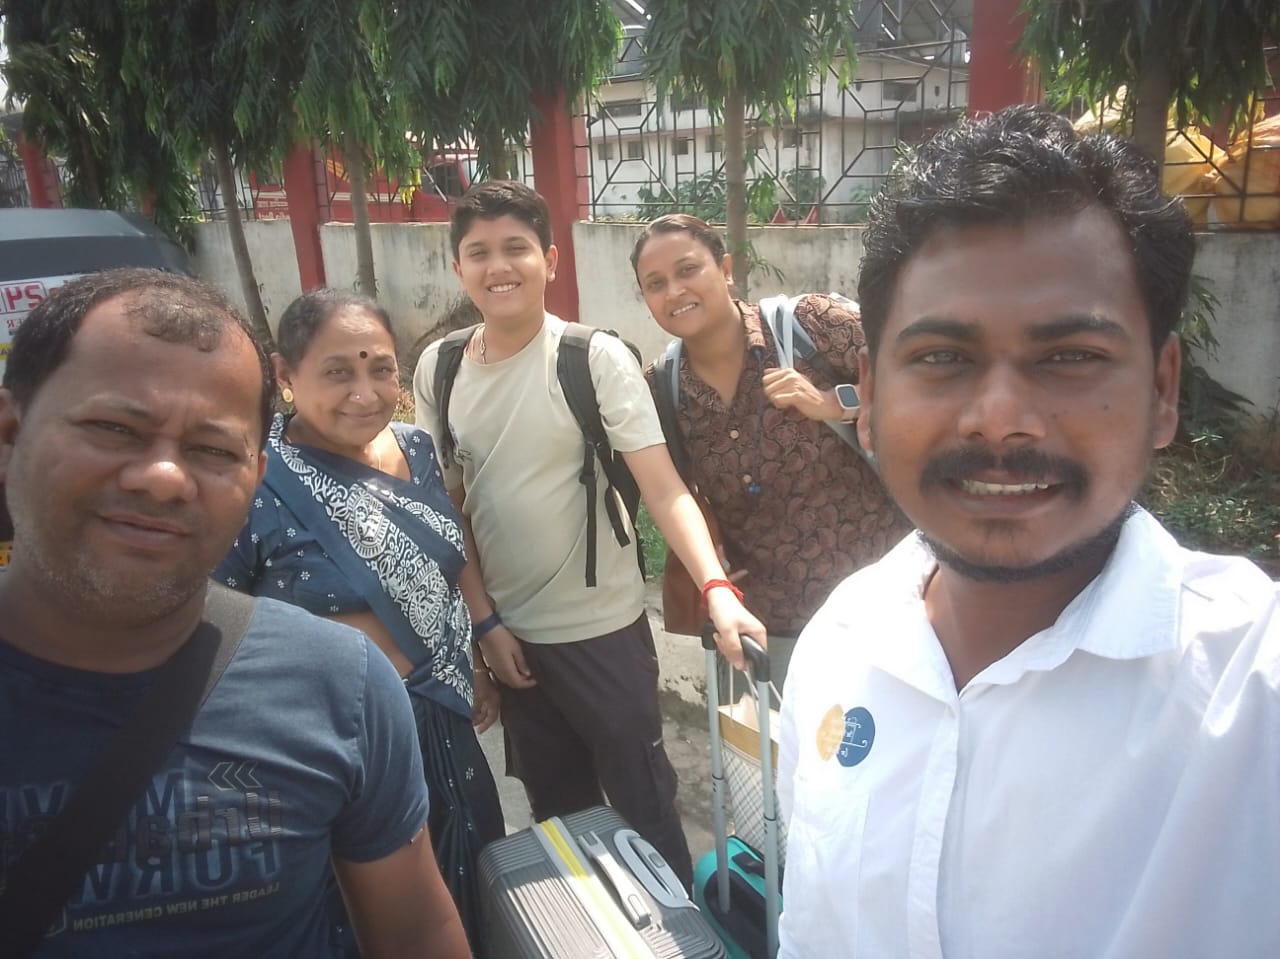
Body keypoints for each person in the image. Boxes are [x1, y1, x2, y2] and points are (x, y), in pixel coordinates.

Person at [777, 104, 1280, 958]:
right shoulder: (840, 639)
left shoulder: (1250, 695)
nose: (1001, 418)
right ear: (869, 397)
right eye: (942, 357)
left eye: (1069, 356)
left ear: (1162, 391)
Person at [0, 269, 469, 959]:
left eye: (213, 449)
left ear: (255, 471)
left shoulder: (342, 686)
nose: (163, 475)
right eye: (114, 426)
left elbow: (415, 932)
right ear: (10, 431)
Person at [413, 180, 767, 889]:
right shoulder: (440, 365)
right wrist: (484, 627)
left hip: (602, 630)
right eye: (478, 252)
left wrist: (718, 589)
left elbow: (664, 488)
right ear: (459, 269)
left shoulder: (590, 358)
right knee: (558, 818)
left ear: (549, 260)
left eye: (516, 248)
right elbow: (446, 511)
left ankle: (676, 935)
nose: (498, 266)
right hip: (511, 636)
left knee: (643, 807)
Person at [215, 288, 503, 954]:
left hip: (442, 715)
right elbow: (217, 624)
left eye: (380, 367)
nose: (365, 392)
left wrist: (482, 647)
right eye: (337, 371)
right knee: (378, 913)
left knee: (471, 882)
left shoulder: (416, 448)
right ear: (284, 375)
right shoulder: (258, 478)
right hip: (336, 744)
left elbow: (443, 554)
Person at [632, 214, 909, 687]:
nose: (674, 291)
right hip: (764, 630)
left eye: (687, 270)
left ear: (725, 269)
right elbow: (672, 490)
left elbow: (922, 381)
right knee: (777, 758)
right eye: (655, 283)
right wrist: (712, 565)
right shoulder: (662, 387)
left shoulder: (812, 325)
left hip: (884, 610)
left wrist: (835, 403)